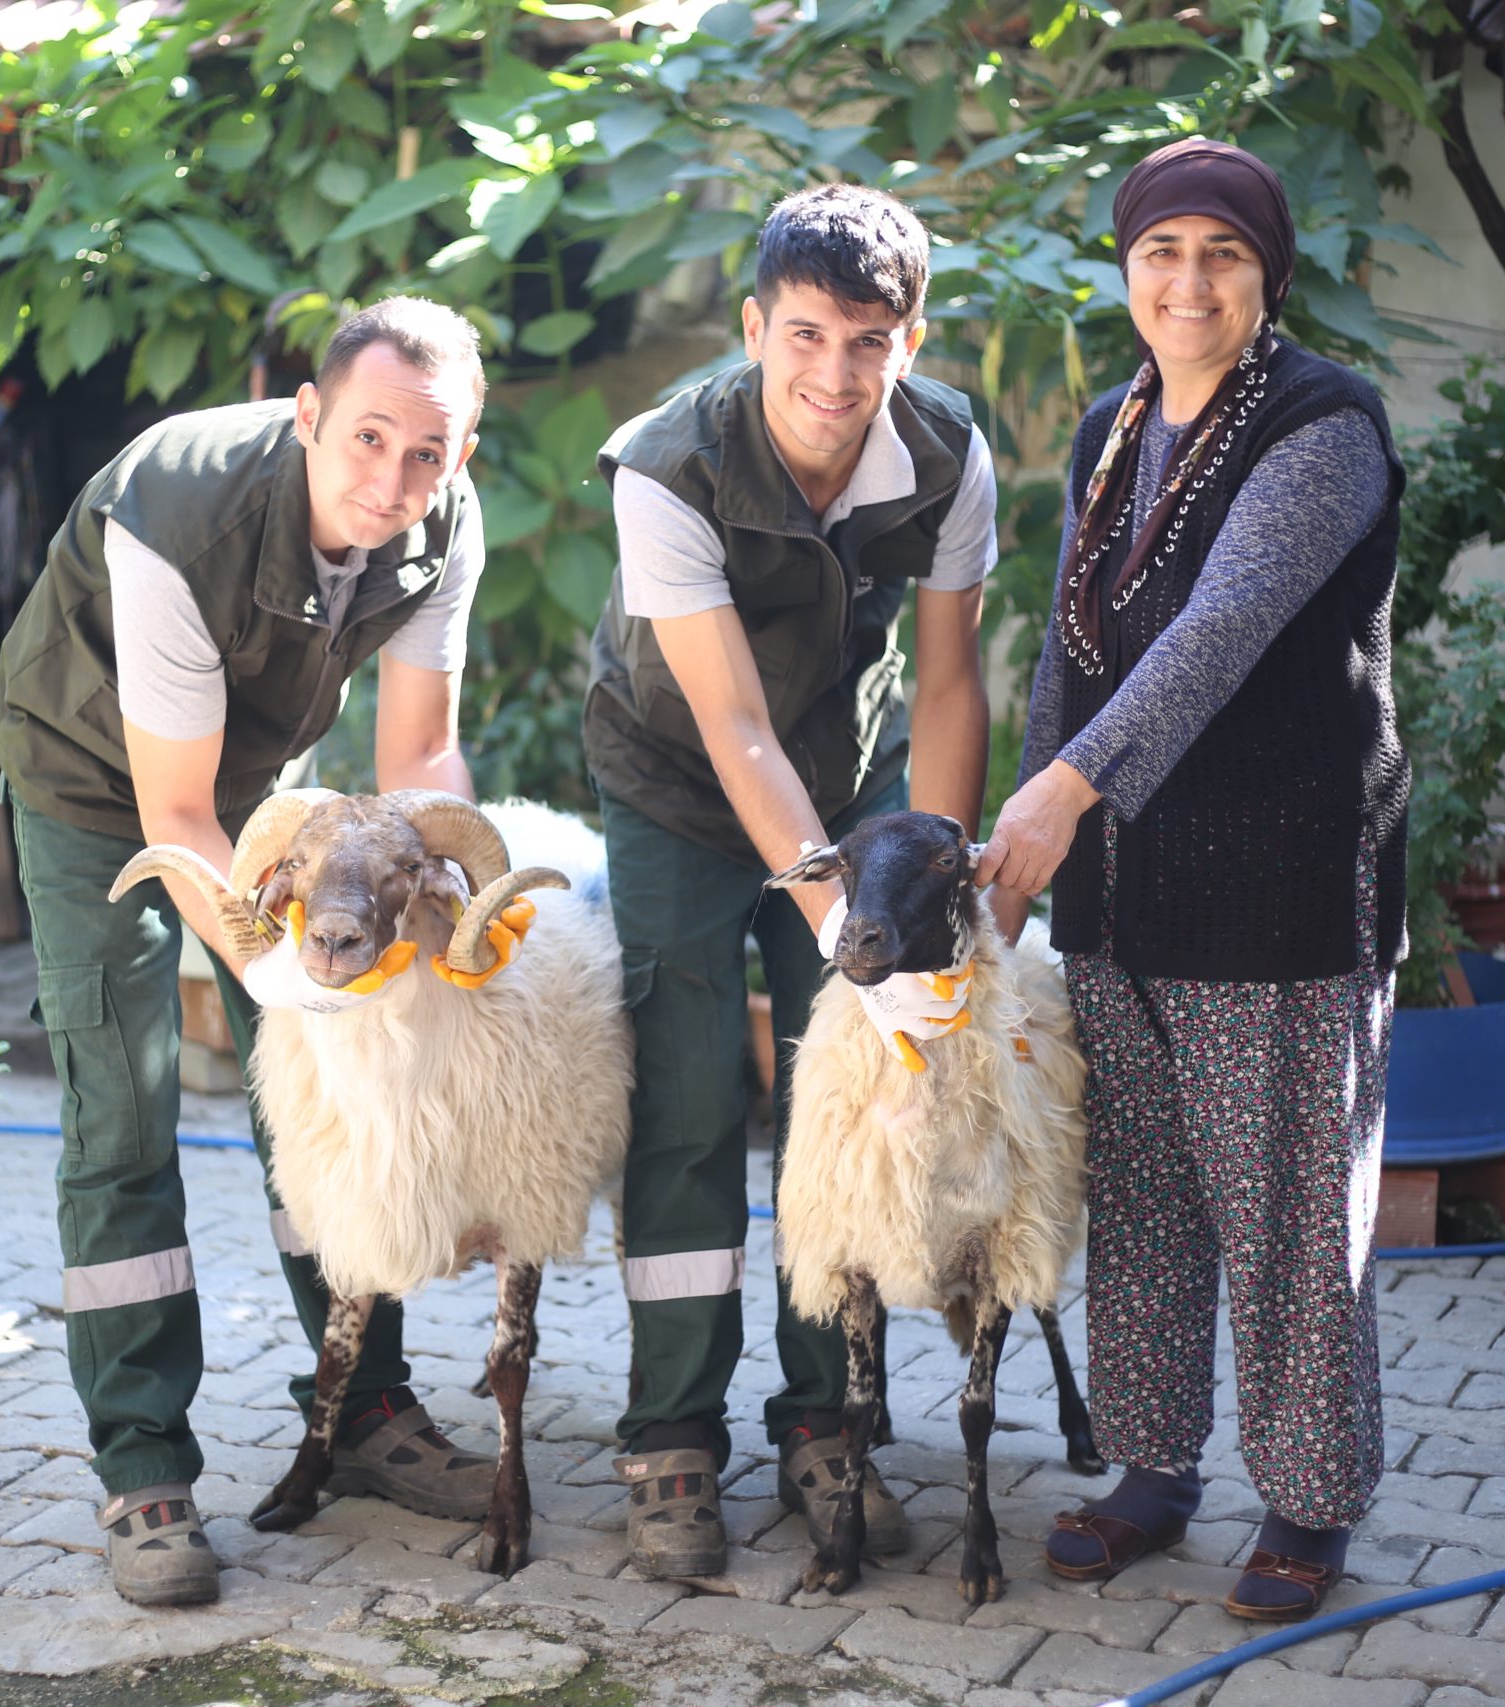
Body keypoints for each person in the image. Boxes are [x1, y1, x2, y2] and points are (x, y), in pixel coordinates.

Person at [0, 298, 502, 1608]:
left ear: (464, 453)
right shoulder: (177, 511)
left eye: (429, 453)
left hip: (265, 786)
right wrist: (293, 978)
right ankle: (145, 1464)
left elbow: (418, 758)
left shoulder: (442, 527)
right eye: (369, 439)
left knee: (331, 1098)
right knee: (124, 1115)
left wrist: (444, 895)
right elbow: (174, 814)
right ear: (310, 416)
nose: (394, 480)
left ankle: (364, 1410)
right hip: (95, 784)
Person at [976, 137, 1408, 1623]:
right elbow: (1073, 646)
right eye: (1163, 251)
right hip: (1124, 888)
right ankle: (1154, 1467)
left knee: (1286, 1203)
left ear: (1266, 277)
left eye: (1222, 253)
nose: (1189, 281)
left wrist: (1061, 790)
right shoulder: (1112, 428)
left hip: (1278, 885)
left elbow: (1214, 633)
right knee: (1148, 1192)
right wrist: (1021, 853)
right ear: (1126, 270)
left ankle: (1308, 1502)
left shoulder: (1322, 427)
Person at [586, 185, 999, 1578]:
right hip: (677, 782)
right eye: (807, 334)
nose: (836, 373)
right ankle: (672, 1441)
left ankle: (830, 1420)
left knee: (850, 1102)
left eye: (870, 341)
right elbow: (732, 729)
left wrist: (921, 912)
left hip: (849, 777)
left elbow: (948, 689)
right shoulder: (665, 464)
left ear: (909, 339)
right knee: (693, 1102)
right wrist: (843, 926)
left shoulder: (947, 456)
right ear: (755, 326)